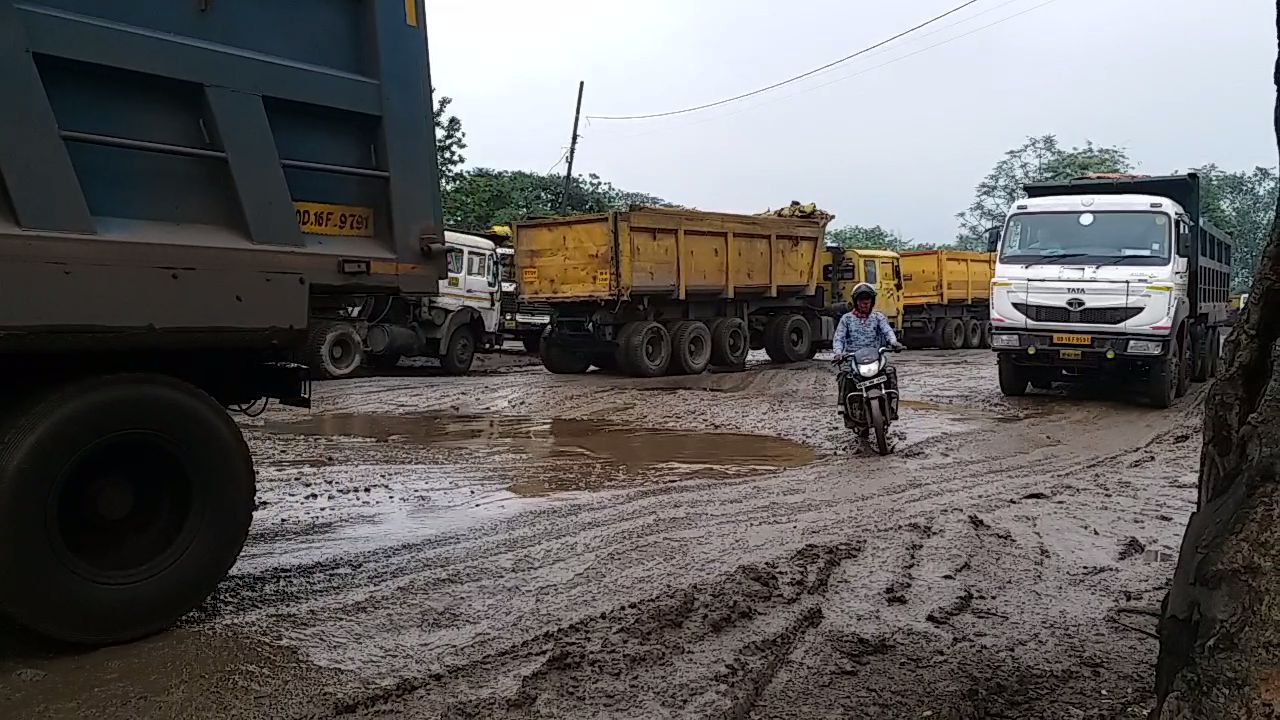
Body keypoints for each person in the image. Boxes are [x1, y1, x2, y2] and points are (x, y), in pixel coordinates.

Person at [833, 282, 905, 426]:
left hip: (876, 358)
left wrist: (894, 343)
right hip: (853, 359)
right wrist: (838, 353)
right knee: (844, 376)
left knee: (890, 372)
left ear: (872, 302)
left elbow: (887, 331)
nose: (865, 305)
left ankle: (892, 406)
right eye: (861, 302)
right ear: (856, 302)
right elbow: (839, 338)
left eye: (868, 302)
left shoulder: (878, 318)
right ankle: (843, 407)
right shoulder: (846, 319)